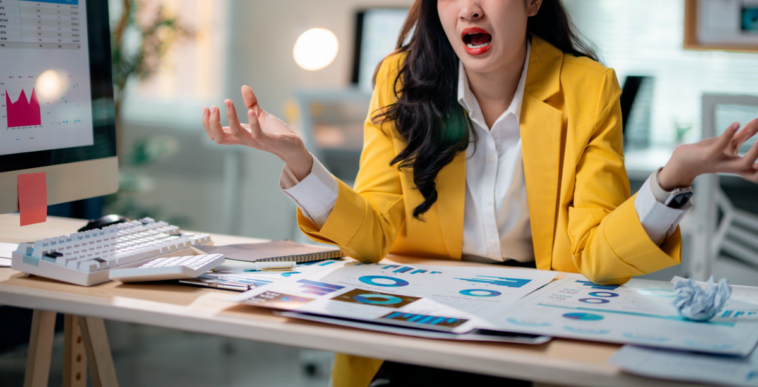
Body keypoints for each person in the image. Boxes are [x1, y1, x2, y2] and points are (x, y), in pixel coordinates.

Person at [202, 0, 758, 385]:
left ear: (532, 2)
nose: (469, 9)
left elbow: (598, 256)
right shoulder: (401, 82)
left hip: (534, 334)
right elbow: (371, 237)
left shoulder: (588, 88)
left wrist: (670, 180)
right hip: (421, 333)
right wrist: (299, 162)